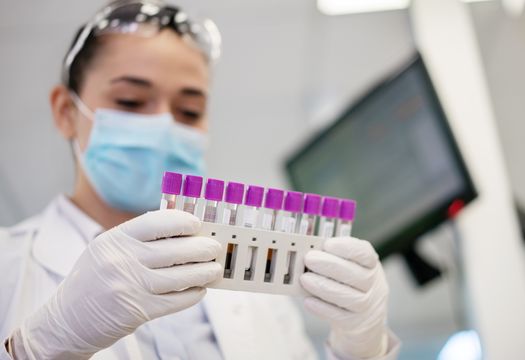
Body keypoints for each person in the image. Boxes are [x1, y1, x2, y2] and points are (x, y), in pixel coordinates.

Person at [0, 1, 399, 359]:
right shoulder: (9, 266)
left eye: (189, 111)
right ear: (66, 112)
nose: (164, 125)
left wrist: (362, 350)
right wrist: (43, 345)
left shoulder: (257, 291)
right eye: (130, 101)